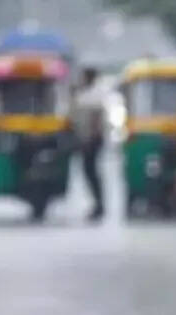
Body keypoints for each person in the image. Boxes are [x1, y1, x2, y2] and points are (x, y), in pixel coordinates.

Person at [74, 67, 108, 222]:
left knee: (92, 173)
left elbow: (96, 122)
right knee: (89, 173)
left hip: (92, 141)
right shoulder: (84, 93)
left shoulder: (96, 94)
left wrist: (90, 139)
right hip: (85, 139)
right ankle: (97, 204)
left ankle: (99, 205)